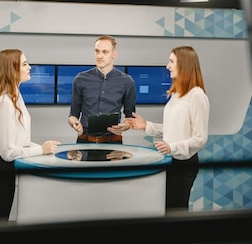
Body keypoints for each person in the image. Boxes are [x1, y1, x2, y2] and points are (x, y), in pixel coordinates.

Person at [0, 49, 60, 222]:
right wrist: (41, 150)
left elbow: (20, 141)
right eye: (24, 64)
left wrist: (42, 147)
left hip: (2, 169)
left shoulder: (15, 96)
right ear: (12, 69)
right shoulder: (5, 101)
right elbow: (8, 152)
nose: (30, 67)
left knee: (0, 223)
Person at [125, 45, 210, 211]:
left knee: (176, 210)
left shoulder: (197, 95)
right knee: (167, 209)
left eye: (171, 61)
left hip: (184, 164)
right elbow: (174, 127)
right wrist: (146, 126)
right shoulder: (177, 94)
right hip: (169, 160)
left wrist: (172, 147)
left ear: (184, 65)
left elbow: (200, 138)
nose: (167, 66)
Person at [68, 35, 136, 144]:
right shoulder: (80, 79)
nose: (100, 56)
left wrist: (125, 126)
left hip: (113, 143)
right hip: (85, 141)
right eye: (97, 51)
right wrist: (75, 124)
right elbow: (72, 115)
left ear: (114, 54)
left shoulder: (127, 81)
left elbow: (130, 117)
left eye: (105, 52)